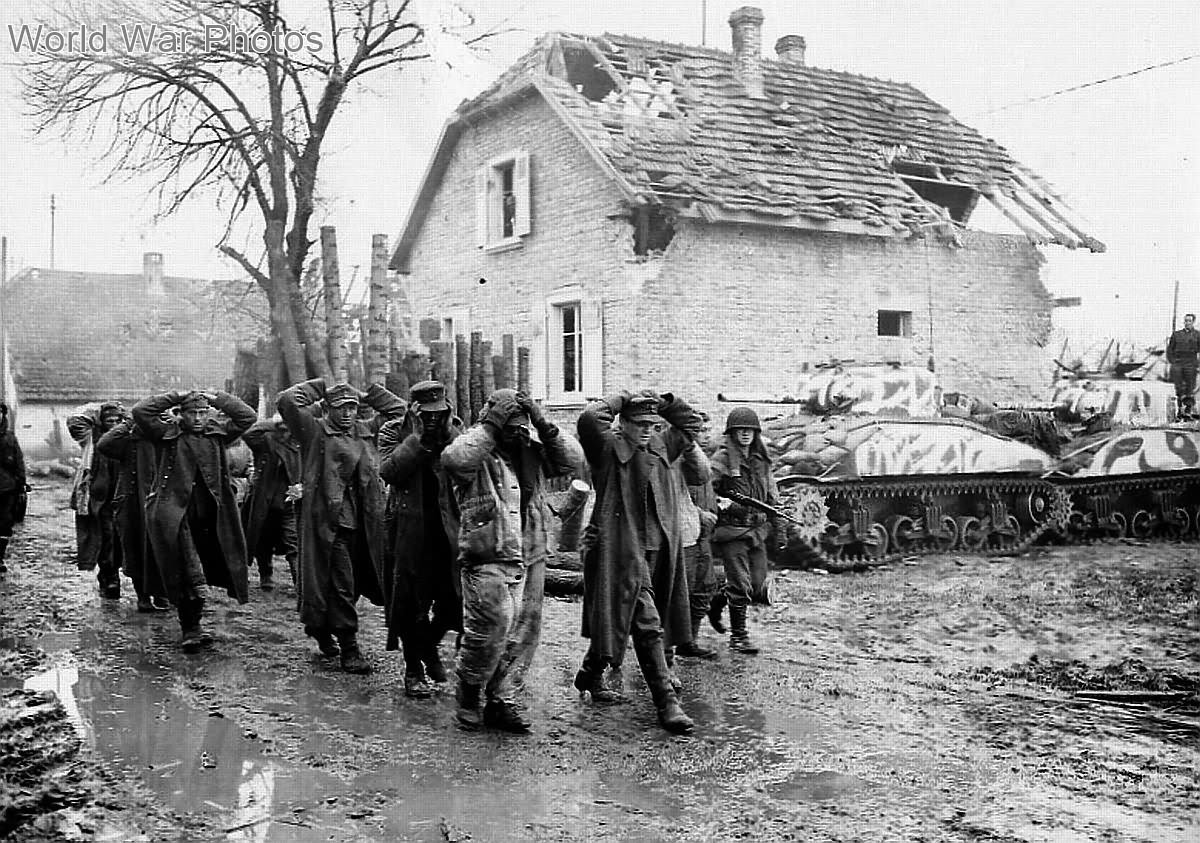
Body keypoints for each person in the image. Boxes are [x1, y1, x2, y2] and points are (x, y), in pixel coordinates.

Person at [441, 388, 582, 732]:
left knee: (524, 631)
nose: (517, 432)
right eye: (510, 425)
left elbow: (572, 459)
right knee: (490, 628)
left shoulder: (532, 452)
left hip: (531, 551)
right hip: (487, 552)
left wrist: (541, 420)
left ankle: (503, 698)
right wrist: (491, 425)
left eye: (521, 425)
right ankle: (469, 692)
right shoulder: (476, 450)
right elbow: (454, 459)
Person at [573, 388, 701, 735]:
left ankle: (589, 672)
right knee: (647, 623)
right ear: (623, 423)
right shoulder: (608, 449)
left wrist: (667, 401)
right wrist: (623, 397)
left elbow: (691, 425)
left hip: (660, 549)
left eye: (652, 423)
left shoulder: (662, 445)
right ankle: (667, 702)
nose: (647, 429)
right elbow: (588, 419)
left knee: (623, 615)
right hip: (620, 549)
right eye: (639, 423)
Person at [276, 378, 404, 674]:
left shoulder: (367, 430)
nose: (347, 413)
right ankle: (349, 647)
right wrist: (322, 387)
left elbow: (402, 412)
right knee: (341, 583)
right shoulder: (314, 430)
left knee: (355, 582)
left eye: (352, 407)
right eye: (340, 407)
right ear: (327, 408)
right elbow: (286, 401)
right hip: (330, 524)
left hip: (366, 523)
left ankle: (321, 628)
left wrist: (368, 394)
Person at [132, 390, 256, 651]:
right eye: (192, 413)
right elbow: (141, 412)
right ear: (181, 414)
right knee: (188, 570)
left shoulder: (217, 434)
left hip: (212, 515)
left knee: (208, 566)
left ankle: (194, 624)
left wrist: (217, 398)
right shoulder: (166, 434)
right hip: (177, 514)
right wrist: (175, 395)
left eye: (203, 413)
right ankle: (191, 628)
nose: (198, 418)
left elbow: (247, 417)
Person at [377, 381, 463, 699]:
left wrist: (447, 429)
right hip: (408, 532)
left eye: (437, 413)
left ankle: (428, 646)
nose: (432, 419)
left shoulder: (451, 431)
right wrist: (416, 437)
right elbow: (389, 471)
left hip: (445, 530)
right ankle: (413, 669)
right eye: (425, 414)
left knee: (452, 601)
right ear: (413, 410)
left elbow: (464, 461)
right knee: (411, 603)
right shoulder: (391, 432)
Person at [709, 407, 780, 655]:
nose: (746, 434)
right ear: (732, 433)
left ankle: (714, 602)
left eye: (750, 430)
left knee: (757, 583)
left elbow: (772, 496)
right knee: (740, 585)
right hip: (732, 531)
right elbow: (707, 491)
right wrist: (725, 504)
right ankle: (739, 637)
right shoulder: (721, 459)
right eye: (740, 430)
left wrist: (780, 528)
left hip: (757, 531)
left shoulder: (762, 460)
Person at [96, 418, 172, 613]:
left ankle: (162, 595)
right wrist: (129, 422)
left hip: (163, 502)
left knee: (164, 549)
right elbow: (104, 444)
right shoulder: (130, 439)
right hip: (132, 503)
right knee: (136, 550)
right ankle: (143, 598)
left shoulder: (169, 435)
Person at [67, 402, 128, 598]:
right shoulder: (91, 438)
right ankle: (110, 578)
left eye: (117, 421)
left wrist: (124, 415)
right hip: (99, 499)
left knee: (121, 540)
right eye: (109, 421)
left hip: (122, 497)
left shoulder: (126, 438)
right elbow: (75, 421)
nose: (114, 424)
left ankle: (112, 574)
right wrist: (99, 408)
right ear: (101, 422)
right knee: (106, 538)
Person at [241, 415, 302, 590]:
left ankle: (300, 583)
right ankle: (265, 574)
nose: (285, 433)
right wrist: (274, 420)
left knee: (294, 540)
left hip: (290, 498)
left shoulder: (301, 442)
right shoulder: (266, 441)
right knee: (263, 540)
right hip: (265, 499)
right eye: (282, 429)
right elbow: (249, 434)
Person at [673, 437, 718, 660]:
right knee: (677, 594)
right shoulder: (673, 458)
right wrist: (702, 515)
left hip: (700, 532)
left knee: (705, 586)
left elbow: (705, 479)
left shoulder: (699, 458)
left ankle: (688, 640)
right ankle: (663, 652)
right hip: (681, 534)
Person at [0, 400, 27, 577]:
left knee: (4, 522)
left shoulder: (9, 437)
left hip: (6, 487)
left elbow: (19, 460)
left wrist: (21, 482)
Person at [1167, 313, 1200, 419]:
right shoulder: (1177, 334)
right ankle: (1179, 410)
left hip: (1191, 363)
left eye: (1189, 321)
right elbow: (1170, 350)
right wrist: (1173, 362)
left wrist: (1197, 364)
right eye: (1186, 321)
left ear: (1193, 322)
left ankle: (1188, 411)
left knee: (1190, 388)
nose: (1187, 323)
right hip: (1178, 363)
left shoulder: (1197, 335)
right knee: (1179, 388)